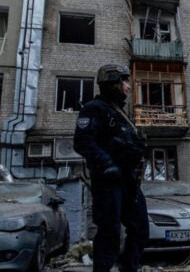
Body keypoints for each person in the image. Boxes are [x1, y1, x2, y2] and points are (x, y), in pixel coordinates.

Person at [73, 64, 148, 272]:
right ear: (112, 82)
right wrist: (106, 163)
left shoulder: (121, 112)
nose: (128, 87)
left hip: (129, 180)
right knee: (109, 232)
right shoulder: (94, 108)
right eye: (124, 81)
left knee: (140, 228)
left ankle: (129, 268)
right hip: (108, 181)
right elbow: (82, 142)